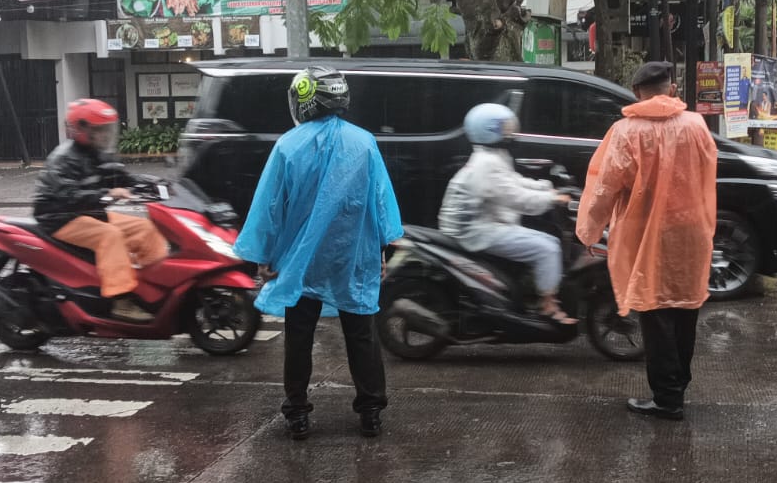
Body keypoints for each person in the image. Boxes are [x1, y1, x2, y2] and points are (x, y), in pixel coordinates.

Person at [235, 66, 404, 441]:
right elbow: (380, 203)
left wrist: (265, 255)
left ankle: (297, 413)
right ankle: (371, 412)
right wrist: (379, 250)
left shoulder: (288, 146)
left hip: (302, 259)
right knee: (361, 332)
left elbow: (270, 207)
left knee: (299, 335)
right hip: (352, 255)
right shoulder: (364, 143)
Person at [575, 61, 717, 421]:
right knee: (685, 309)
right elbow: (707, 174)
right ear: (672, 89)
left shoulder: (626, 132)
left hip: (645, 235)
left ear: (637, 93)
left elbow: (605, 187)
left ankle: (667, 399)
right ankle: (678, 386)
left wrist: (589, 230)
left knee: (655, 312)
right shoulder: (696, 126)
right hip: (690, 232)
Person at [438, 102, 575, 324]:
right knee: (547, 248)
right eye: (505, 127)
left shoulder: (493, 156)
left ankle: (531, 291)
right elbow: (516, 198)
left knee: (548, 241)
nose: (510, 131)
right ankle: (547, 305)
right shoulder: (487, 164)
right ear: (489, 130)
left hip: (484, 222)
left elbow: (513, 182)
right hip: (477, 230)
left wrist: (547, 188)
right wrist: (551, 199)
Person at [34, 99, 168, 323]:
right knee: (110, 236)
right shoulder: (63, 158)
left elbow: (122, 177)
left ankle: (153, 286)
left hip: (90, 213)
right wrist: (108, 193)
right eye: (100, 130)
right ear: (82, 130)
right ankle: (121, 301)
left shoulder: (97, 153)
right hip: (60, 217)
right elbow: (69, 196)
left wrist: (157, 183)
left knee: (144, 228)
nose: (106, 135)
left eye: (108, 129)